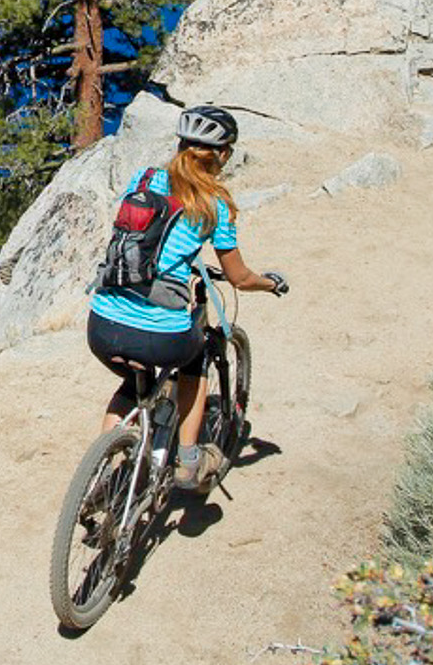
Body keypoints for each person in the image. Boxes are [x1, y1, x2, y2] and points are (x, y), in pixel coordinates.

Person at [86, 104, 286, 493]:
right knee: (192, 363)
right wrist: (271, 283)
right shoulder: (216, 207)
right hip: (160, 335)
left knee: (133, 383)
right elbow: (239, 278)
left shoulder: (145, 179)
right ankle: (188, 461)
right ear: (223, 155)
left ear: (179, 146)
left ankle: (102, 473)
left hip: (102, 322)